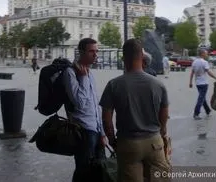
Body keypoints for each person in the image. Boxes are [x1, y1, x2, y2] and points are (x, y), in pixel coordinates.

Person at [100, 39, 170, 182]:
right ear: (141, 57)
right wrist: (162, 131)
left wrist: (113, 140)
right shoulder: (158, 84)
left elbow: (106, 119)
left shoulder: (114, 85)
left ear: (124, 58)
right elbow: (164, 113)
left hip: (128, 144)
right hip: (154, 143)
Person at [62, 38, 106, 181]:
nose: (95, 55)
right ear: (81, 52)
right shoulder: (71, 73)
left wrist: (102, 132)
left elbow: (95, 106)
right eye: (91, 51)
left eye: (96, 51)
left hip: (96, 130)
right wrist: (83, 78)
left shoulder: (89, 73)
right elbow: (80, 103)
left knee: (100, 171)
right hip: (83, 131)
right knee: (83, 172)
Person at [189, 49, 216, 120]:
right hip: (204, 83)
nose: (207, 55)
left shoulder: (194, 62)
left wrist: (190, 82)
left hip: (198, 83)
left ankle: (208, 110)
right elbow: (208, 72)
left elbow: (192, 73)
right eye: (206, 53)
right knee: (201, 98)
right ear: (202, 54)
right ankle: (196, 113)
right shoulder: (204, 62)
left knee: (202, 97)